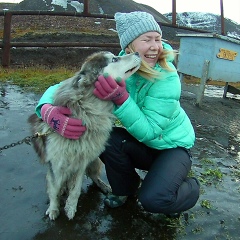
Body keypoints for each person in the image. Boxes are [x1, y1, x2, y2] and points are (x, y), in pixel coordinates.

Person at [35, 11, 200, 217]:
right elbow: (68, 84)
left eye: (157, 39)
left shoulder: (167, 77)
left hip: (171, 148)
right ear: (130, 46)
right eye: (146, 39)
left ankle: (184, 187)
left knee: (154, 199)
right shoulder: (122, 64)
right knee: (108, 140)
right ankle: (126, 188)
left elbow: (149, 131)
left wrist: (121, 98)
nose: (154, 46)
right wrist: (46, 109)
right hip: (143, 146)